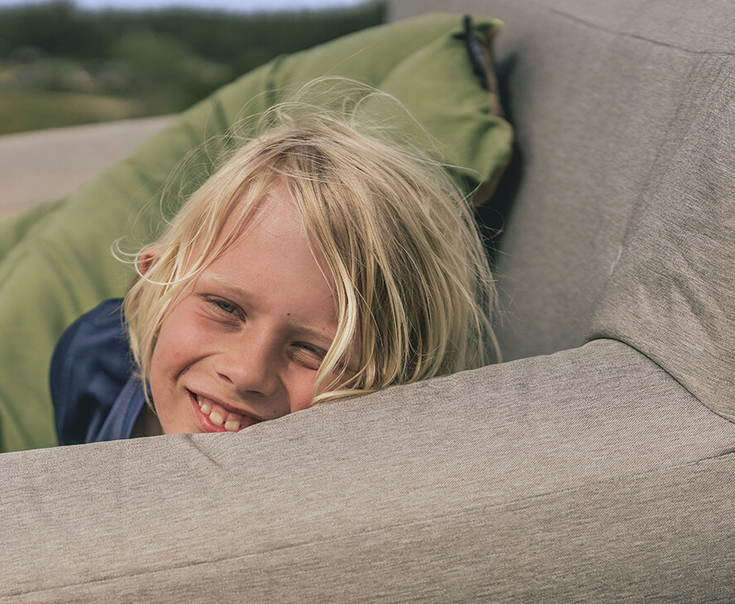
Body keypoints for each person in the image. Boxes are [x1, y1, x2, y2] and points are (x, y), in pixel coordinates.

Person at [50, 103, 497, 443]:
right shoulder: (93, 357)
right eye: (225, 307)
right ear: (154, 282)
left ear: (399, 384)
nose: (247, 373)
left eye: (315, 351)